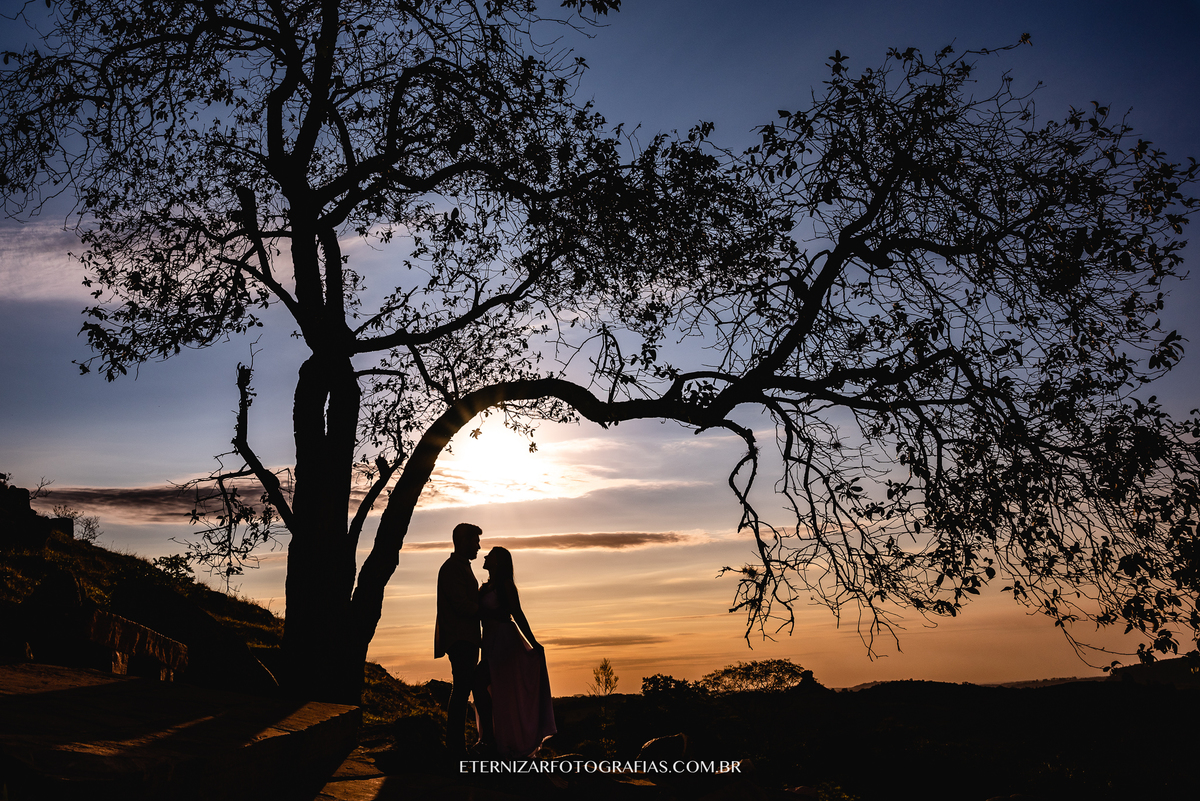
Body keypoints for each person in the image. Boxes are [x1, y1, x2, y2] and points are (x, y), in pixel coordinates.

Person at [477, 546, 556, 758]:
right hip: (490, 642)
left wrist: (533, 642)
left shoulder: (505, 586)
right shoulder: (485, 587)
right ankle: (491, 737)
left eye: (490, 555)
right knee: (486, 687)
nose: (485, 556)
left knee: (487, 685)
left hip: (504, 641)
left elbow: (518, 614)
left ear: (498, 562)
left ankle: (491, 739)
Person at [434, 522, 493, 756]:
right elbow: (461, 605)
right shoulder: (451, 568)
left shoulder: (462, 567)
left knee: (464, 688)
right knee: (461, 690)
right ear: (464, 541)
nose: (478, 546)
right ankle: (456, 746)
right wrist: (488, 611)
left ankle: (459, 744)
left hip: (467, 638)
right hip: (460, 639)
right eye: (475, 541)